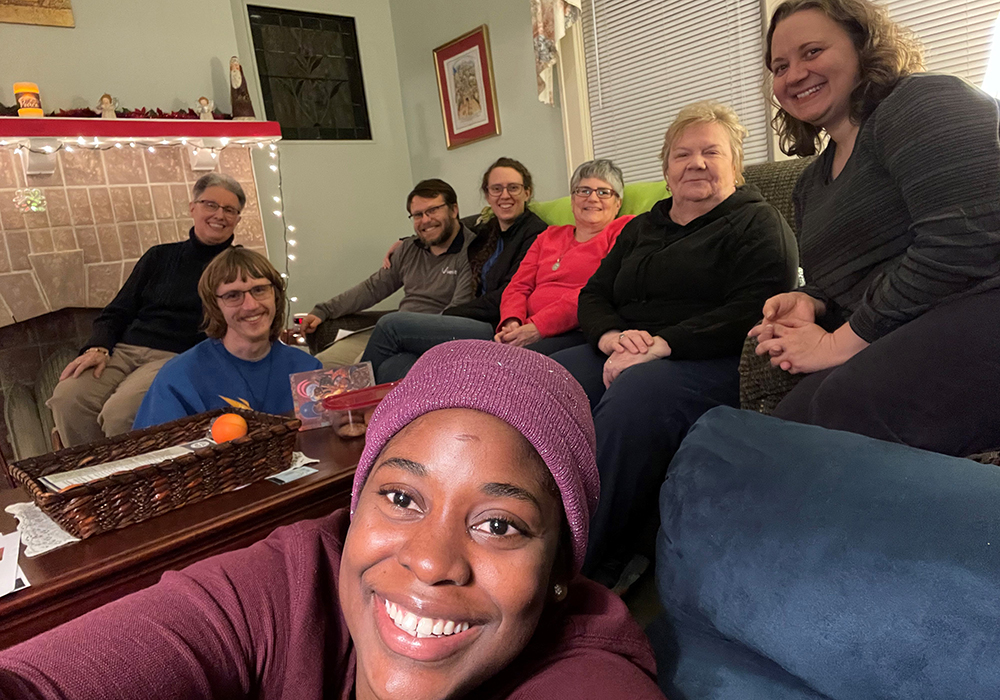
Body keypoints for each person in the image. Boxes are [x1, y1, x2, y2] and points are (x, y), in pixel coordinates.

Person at [0, 340, 665, 700]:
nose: (432, 562)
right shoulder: (288, 581)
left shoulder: (587, 671)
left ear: (557, 573)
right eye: (402, 498)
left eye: (499, 525)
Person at [551, 101, 798, 589]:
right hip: (623, 344)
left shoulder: (757, 222)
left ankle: (575, 565)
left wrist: (661, 345)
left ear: (736, 165)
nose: (697, 163)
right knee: (536, 378)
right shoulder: (643, 226)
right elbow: (595, 293)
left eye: (712, 152)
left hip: (709, 355)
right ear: (666, 169)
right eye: (682, 154)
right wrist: (612, 336)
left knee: (636, 396)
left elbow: (756, 305)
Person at [751, 0, 1000, 457]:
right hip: (891, 337)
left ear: (863, 45)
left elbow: (967, 240)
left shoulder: (921, 101)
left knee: (832, 417)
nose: (794, 74)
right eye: (780, 66)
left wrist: (836, 345)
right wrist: (811, 300)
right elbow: (837, 281)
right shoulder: (810, 182)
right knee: (768, 441)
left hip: (980, 304)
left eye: (811, 52)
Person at [363, 159, 633, 383]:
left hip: (564, 331)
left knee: (391, 325)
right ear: (572, 199)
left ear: (618, 202)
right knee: (394, 366)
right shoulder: (550, 236)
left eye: (603, 192)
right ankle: (378, 418)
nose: (592, 198)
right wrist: (512, 320)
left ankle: (349, 406)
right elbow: (517, 286)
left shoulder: (622, 232)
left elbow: (593, 292)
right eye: (583, 191)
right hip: (512, 328)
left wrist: (537, 327)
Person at [46, 173, 242, 446]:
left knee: (121, 413)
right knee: (67, 397)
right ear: (193, 207)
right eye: (211, 205)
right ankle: (93, 476)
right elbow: (117, 310)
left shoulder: (238, 267)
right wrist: (98, 347)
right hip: (125, 350)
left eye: (230, 210)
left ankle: (130, 483)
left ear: (237, 219)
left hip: (178, 355)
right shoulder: (159, 256)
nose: (219, 215)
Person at [133, 247, 320, 429]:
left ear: (276, 296)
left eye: (259, 290)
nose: (250, 305)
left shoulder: (307, 370)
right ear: (215, 306)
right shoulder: (179, 378)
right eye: (233, 295)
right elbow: (155, 454)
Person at [301, 179, 475, 368]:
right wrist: (324, 310)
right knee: (321, 365)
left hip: (428, 337)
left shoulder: (473, 251)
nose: (425, 220)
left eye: (433, 210)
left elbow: (457, 313)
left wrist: (410, 333)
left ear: (454, 209)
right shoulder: (409, 248)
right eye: (417, 215)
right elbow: (372, 288)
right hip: (392, 332)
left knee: (359, 372)